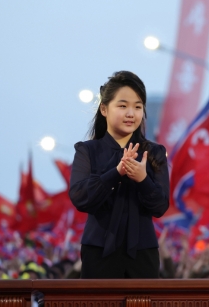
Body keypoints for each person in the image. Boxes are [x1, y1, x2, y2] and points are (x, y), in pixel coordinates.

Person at [69, 71, 169, 278]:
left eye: (138, 107)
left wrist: (143, 180)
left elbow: (160, 206)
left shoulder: (155, 152)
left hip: (143, 253)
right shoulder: (87, 151)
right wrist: (116, 173)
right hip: (98, 250)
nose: (131, 113)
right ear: (104, 109)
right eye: (122, 106)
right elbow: (80, 197)